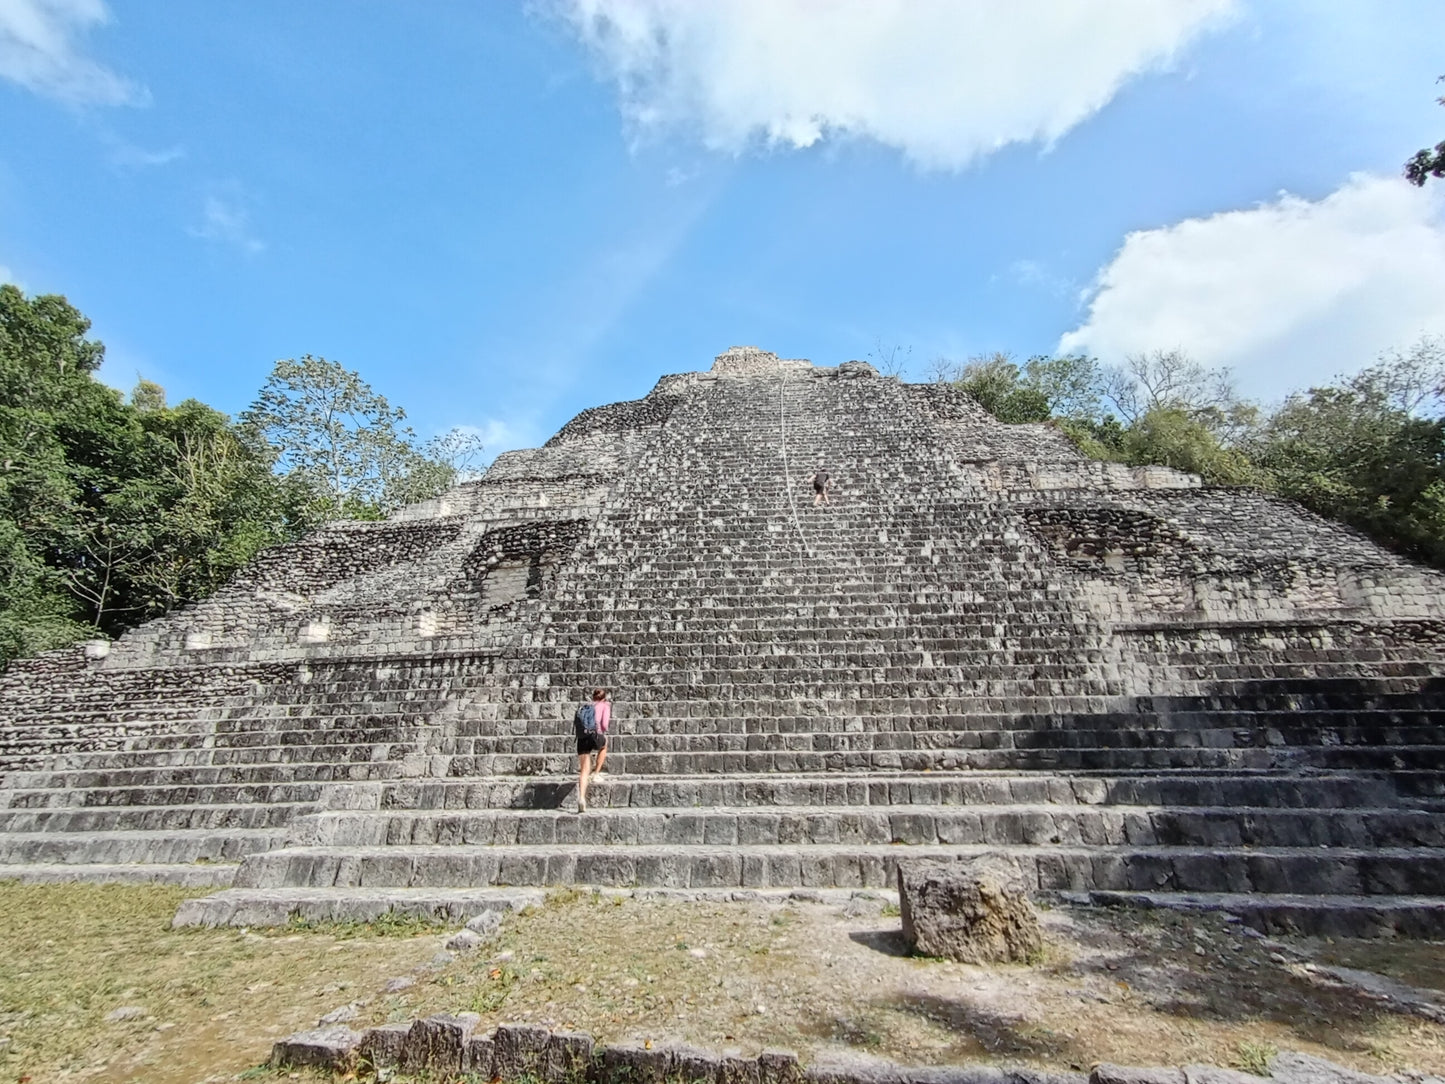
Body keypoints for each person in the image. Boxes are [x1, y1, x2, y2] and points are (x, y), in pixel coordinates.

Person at [574, 687, 610, 813]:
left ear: (593, 697)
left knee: (584, 769)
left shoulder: (587, 706)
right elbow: (604, 725)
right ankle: (596, 774)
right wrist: (602, 732)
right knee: (604, 745)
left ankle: (582, 798)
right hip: (595, 735)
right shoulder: (605, 706)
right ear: (604, 698)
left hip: (582, 737)